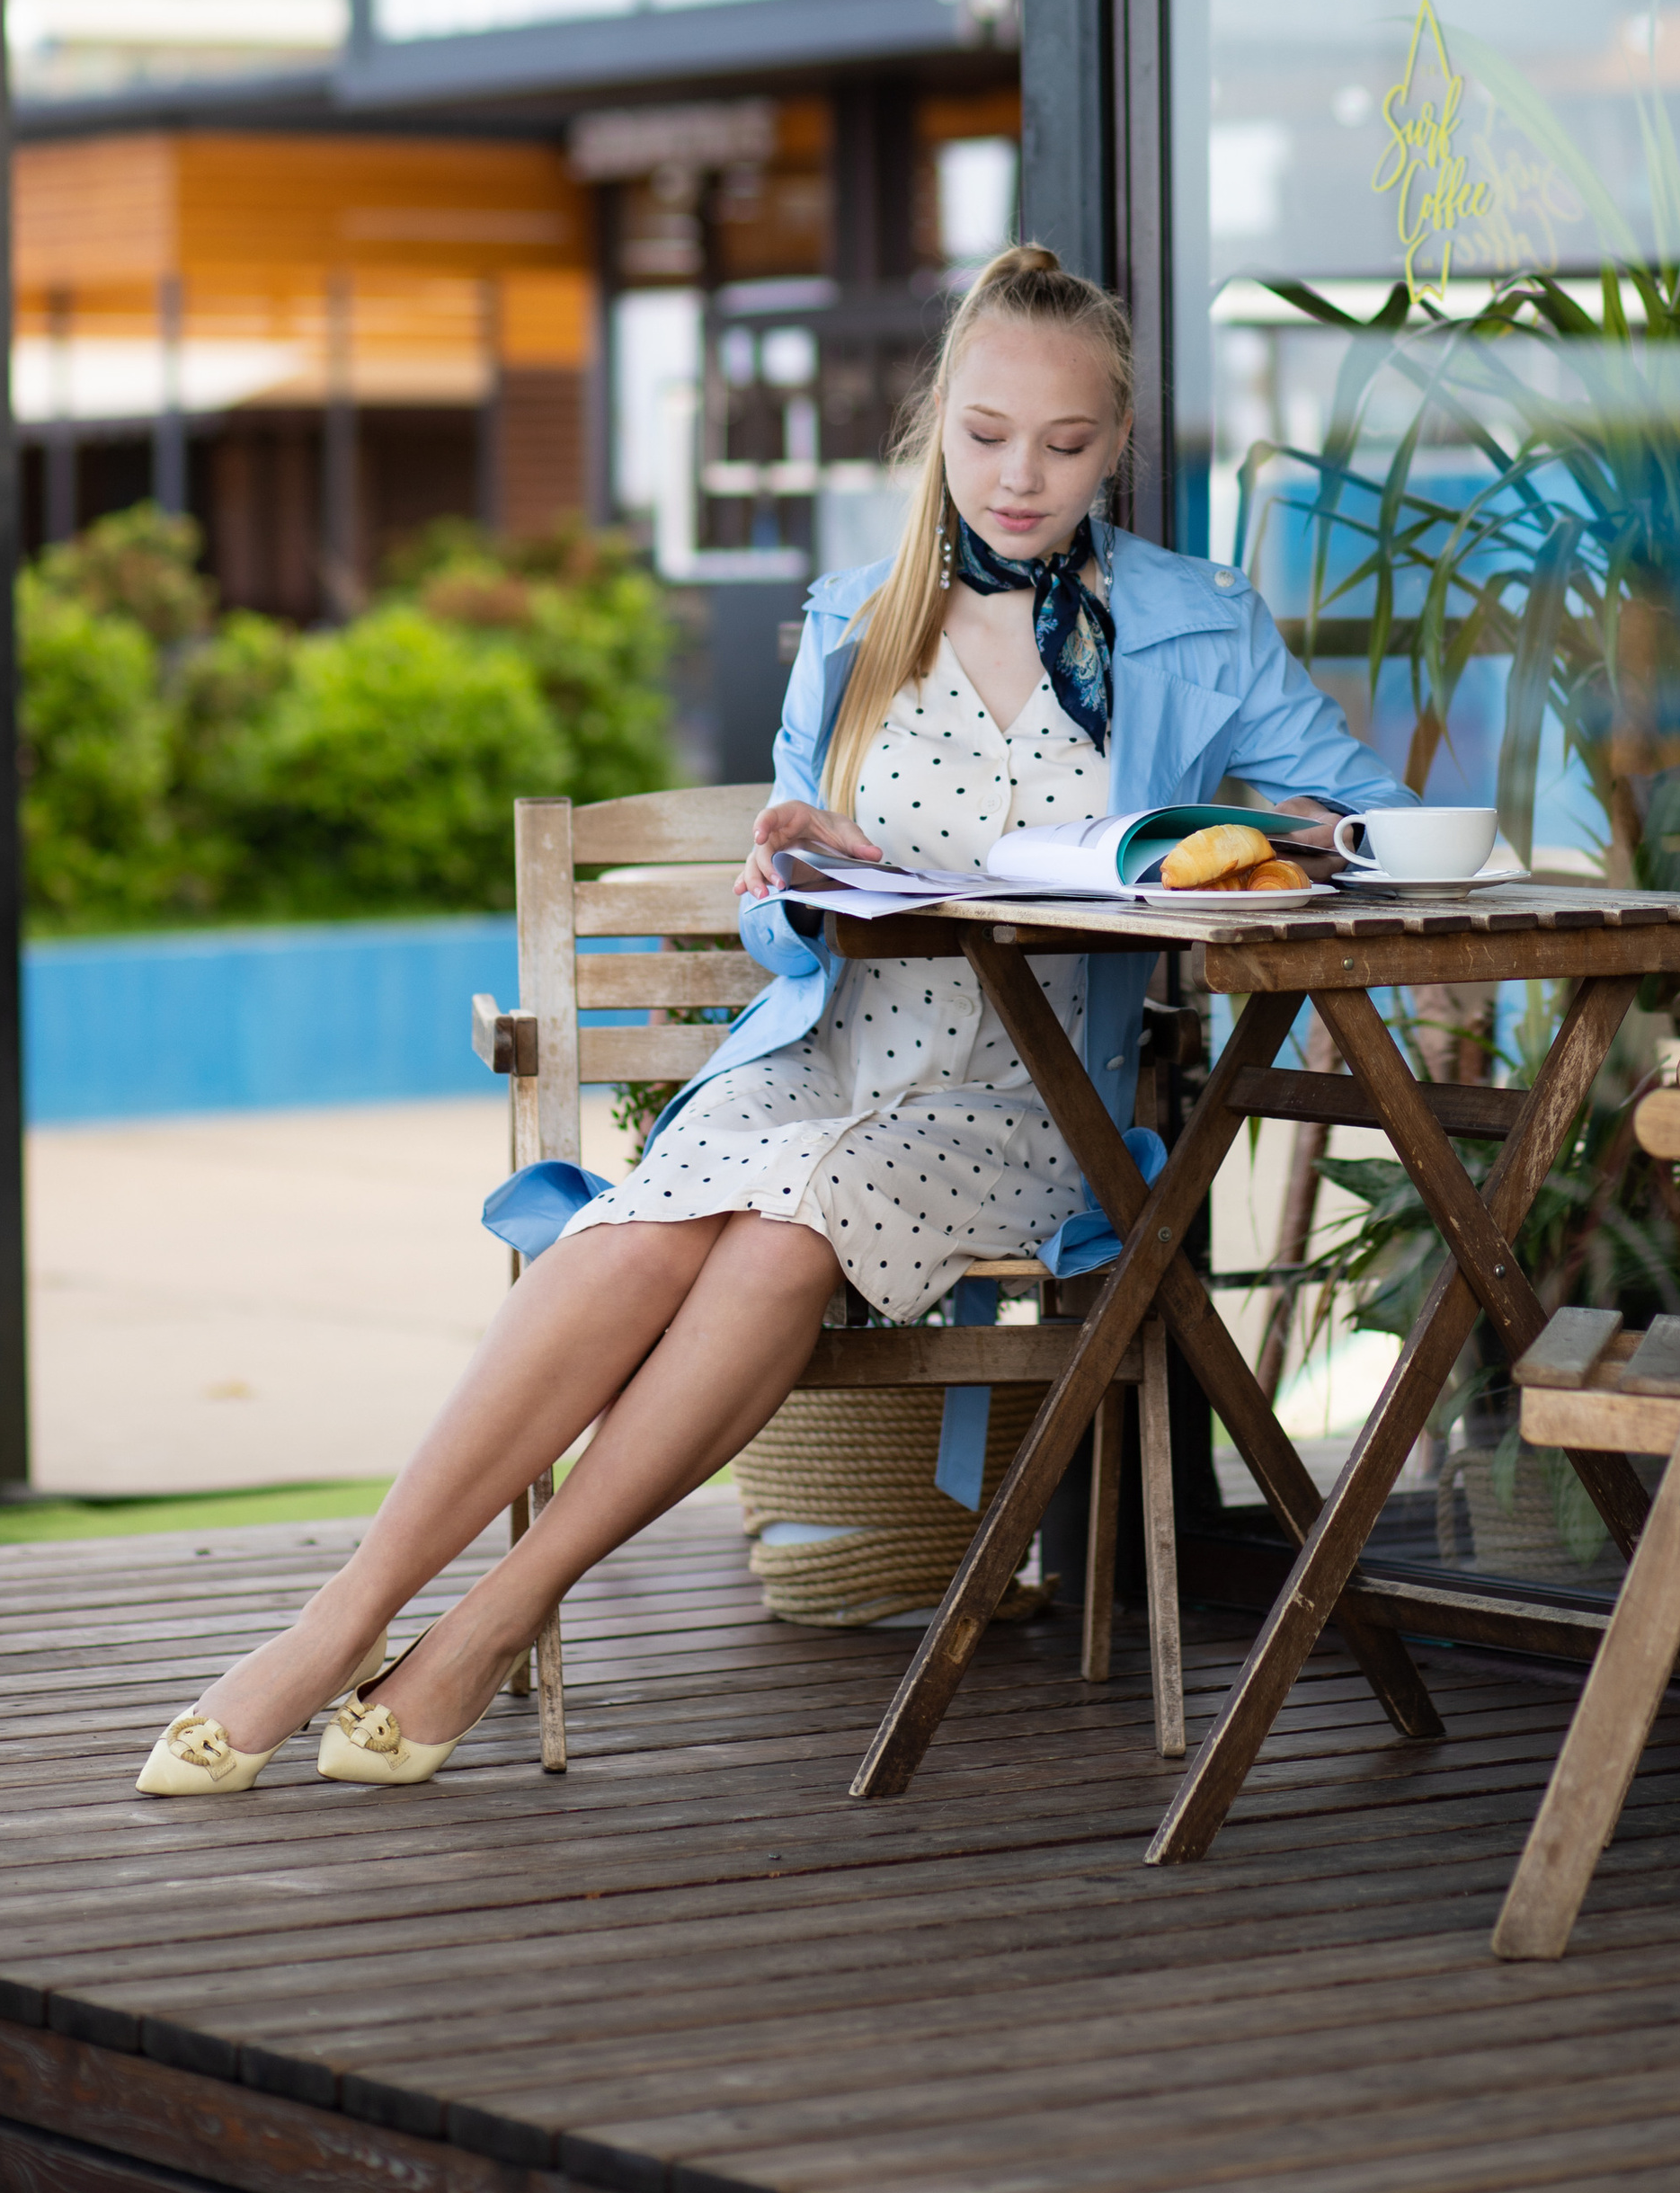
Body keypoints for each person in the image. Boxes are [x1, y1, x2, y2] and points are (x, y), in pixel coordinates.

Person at [135, 244, 1413, 1795]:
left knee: (782, 1223)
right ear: (940, 418)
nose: (1023, 476)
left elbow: (1373, 819)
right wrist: (784, 874)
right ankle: (344, 1623)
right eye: (990, 434)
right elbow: (777, 906)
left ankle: (492, 1630)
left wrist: (1274, 834)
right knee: (646, 1230)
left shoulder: (1194, 627)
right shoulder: (854, 619)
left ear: (1118, 443)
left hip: (1023, 1104)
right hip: (824, 1053)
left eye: (1067, 446)